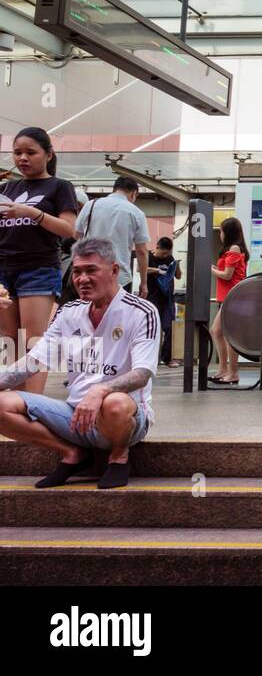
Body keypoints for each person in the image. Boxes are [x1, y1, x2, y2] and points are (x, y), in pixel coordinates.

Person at [0, 237, 158, 490]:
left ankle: (119, 456)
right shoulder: (68, 312)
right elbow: (33, 361)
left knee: (114, 402)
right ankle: (72, 453)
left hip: (123, 418)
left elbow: (142, 373)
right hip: (75, 416)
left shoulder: (141, 311)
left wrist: (101, 390)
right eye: (77, 272)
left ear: (114, 270)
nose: (82, 279)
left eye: (91, 270)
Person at [0, 127, 78, 396]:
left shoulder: (60, 187)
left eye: (30, 152)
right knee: (9, 341)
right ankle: (13, 406)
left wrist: (32, 213)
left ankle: (32, 404)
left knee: (33, 341)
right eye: (17, 152)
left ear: (48, 155)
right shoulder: (6, 188)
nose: (23, 158)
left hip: (39, 268)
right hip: (3, 270)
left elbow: (70, 229)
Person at [74, 175, 149, 293]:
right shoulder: (136, 213)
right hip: (120, 276)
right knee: (117, 310)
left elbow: (77, 234)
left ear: (115, 189)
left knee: (90, 309)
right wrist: (143, 283)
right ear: (134, 194)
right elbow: (142, 251)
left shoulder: (91, 205)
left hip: (90, 272)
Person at [209, 217, 249, 385]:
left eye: (222, 231)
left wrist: (211, 270)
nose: (220, 234)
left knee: (226, 334)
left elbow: (227, 274)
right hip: (230, 296)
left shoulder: (233, 248)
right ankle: (224, 369)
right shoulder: (235, 248)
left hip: (232, 297)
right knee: (219, 332)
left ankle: (232, 372)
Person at [145, 236, 179, 367]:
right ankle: (151, 359)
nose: (165, 256)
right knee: (152, 329)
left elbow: (178, 275)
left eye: (168, 254)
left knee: (169, 327)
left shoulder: (169, 258)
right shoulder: (148, 256)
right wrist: (157, 270)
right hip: (152, 298)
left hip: (167, 299)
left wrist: (176, 266)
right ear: (157, 247)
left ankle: (167, 358)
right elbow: (140, 269)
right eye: (163, 253)